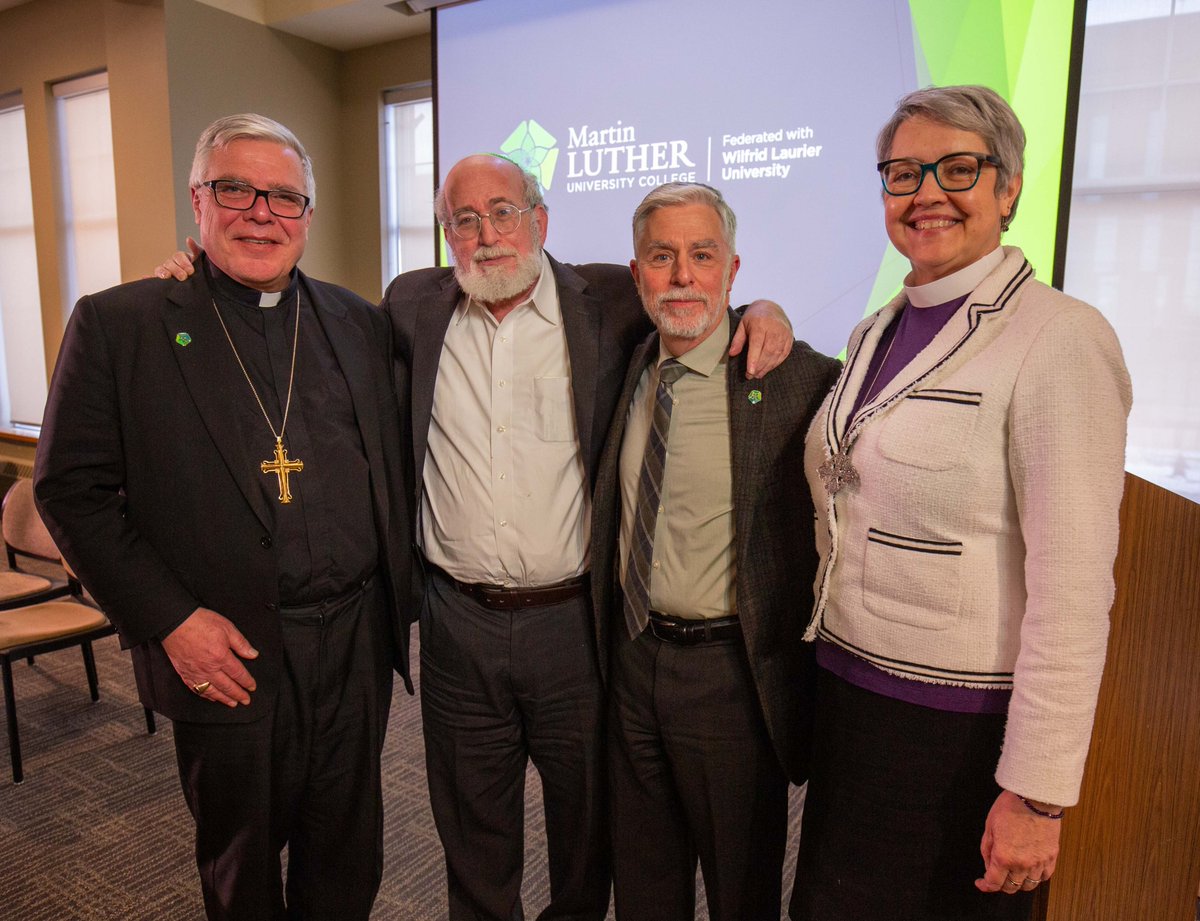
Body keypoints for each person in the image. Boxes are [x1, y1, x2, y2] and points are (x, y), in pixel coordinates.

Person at [381, 154, 794, 921]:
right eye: (464, 220)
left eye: (503, 211)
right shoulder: (412, 305)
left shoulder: (605, 297)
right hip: (455, 626)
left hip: (574, 625)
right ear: (447, 235)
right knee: (472, 831)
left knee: (590, 837)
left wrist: (764, 306)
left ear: (540, 219)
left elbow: (695, 292)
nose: (487, 235)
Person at [34, 114, 410, 921]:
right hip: (227, 649)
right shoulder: (122, 324)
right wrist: (170, 620)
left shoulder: (358, 322)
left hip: (353, 643)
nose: (261, 212)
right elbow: (71, 491)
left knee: (348, 855)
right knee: (243, 867)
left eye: (284, 196)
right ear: (198, 202)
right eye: (235, 190)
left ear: (308, 215)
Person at [791, 85, 1131, 921]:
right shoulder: (880, 327)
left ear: (1007, 188)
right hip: (850, 698)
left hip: (956, 733)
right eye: (904, 174)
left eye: (957, 168)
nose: (927, 193)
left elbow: (1075, 590)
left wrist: (1038, 793)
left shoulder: (1060, 337)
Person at [588, 182, 840, 920]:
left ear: (733, 272)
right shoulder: (626, 366)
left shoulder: (796, 380)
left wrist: (770, 310)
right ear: (636, 274)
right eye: (661, 257)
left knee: (740, 890)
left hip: (731, 677)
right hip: (632, 661)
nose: (682, 275)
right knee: (644, 882)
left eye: (703, 255)